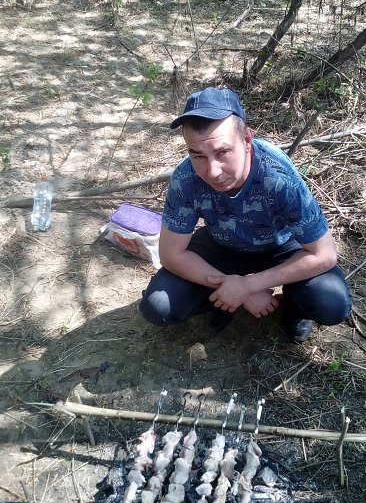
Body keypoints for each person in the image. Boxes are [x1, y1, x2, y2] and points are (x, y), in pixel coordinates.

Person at [140, 87, 352, 342]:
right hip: (222, 244)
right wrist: (234, 288)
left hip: (280, 244)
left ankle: (294, 308)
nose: (212, 171)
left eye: (223, 152)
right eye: (198, 156)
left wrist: (250, 284)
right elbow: (171, 254)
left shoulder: (277, 176)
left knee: (331, 302)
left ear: (247, 140)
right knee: (157, 306)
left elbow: (325, 254)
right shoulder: (185, 178)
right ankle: (222, 301)